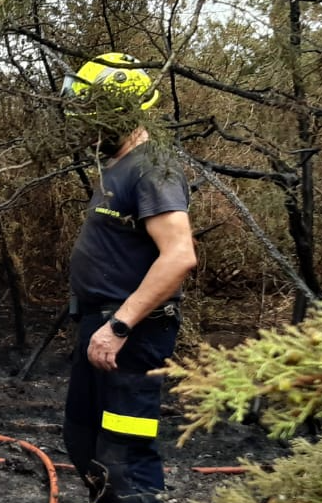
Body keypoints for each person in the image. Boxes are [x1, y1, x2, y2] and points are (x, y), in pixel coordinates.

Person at [60, 52, 198, 503]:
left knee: (124, 458)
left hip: (129, 336)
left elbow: (178, 256)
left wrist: (119, 326)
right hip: (99, 329)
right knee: (83, 440)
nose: (85, 125)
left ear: (119, 111)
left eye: (92, 114)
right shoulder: (117, 162)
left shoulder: (153, 168)